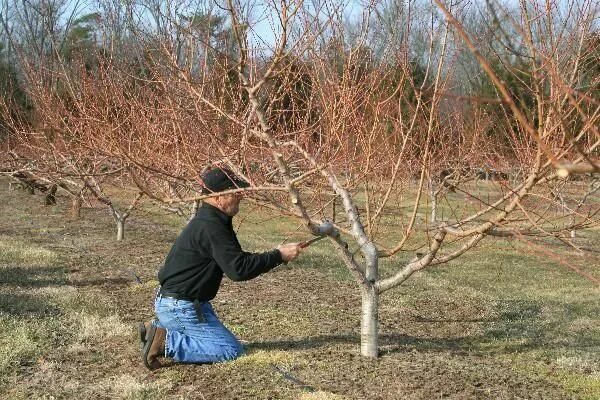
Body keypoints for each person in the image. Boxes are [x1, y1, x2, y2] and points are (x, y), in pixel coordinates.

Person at [139, 167, 302, 370]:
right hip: (181, 307)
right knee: (229, 350)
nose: (241, 196)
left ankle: (157, 331)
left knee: (223, 345)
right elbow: (239, 270)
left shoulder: (212, 221)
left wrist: (276, 253)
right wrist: (279, 256)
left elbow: (235, 260)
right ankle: (164, 341)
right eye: (235, 192)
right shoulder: (212, 226)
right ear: (218, 198)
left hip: (183, 304)